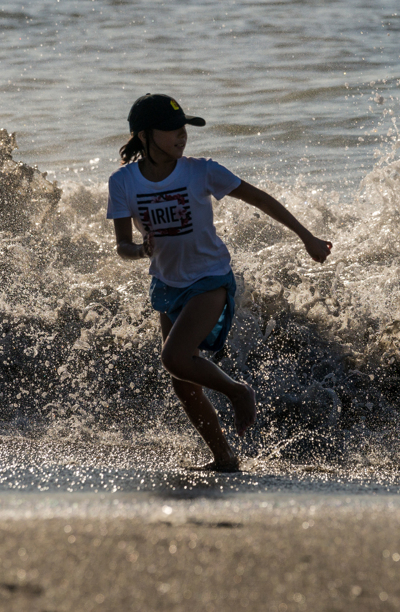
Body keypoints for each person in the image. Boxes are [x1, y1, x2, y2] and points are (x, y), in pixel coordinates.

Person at [106, 93, 333, 472]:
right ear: (144, 135)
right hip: (166, 285)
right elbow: (122, 246)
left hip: (209, 278)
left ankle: (238, 391)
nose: (182, 137)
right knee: (182, 379)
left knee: (174, 358)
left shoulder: (201, 170)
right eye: (172, 131)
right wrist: (141, 251)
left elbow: (259, 198)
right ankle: (223, 457)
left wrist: (306, 236)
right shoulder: (123, 183)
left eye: (184, 130)